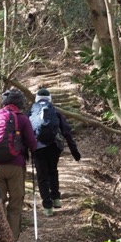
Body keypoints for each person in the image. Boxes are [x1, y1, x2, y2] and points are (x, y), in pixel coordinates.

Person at [0, 88, 37, 241]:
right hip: (15, 166)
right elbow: (32, 142)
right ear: (20, 103)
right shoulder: (22, 119)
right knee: (15, 204)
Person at [29, 87, 81, 217]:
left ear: (36, 98)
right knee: (53, 171)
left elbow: (26, 132)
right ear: (49, 98)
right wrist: (74, 150)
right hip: (54, 146)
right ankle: (56, 199)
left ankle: (47, 207)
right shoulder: (55, 112)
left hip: (38, 148)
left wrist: (25, 151)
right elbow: (67, 132)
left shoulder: (30, 112)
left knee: (42, 177)